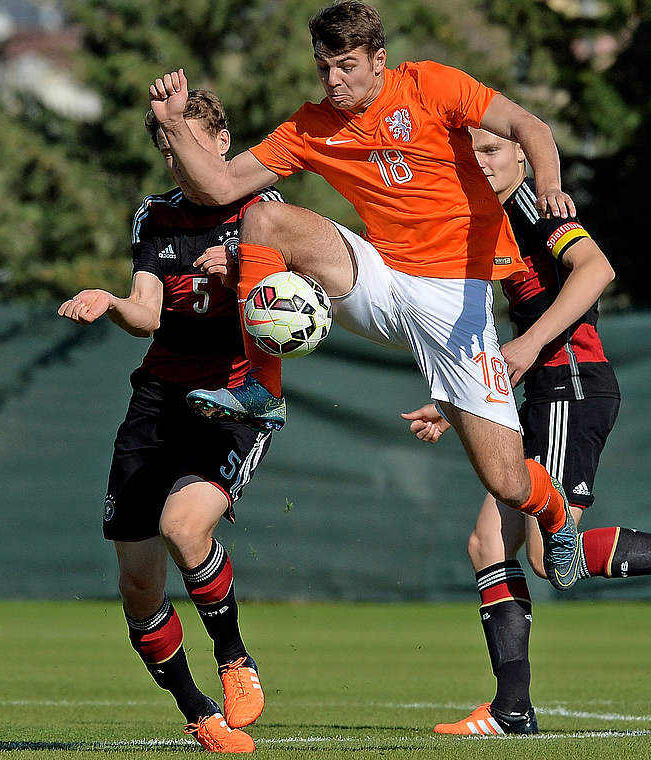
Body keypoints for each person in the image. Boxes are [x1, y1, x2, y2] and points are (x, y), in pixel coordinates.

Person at [149, 0, 587, 595]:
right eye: (324, 66)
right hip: (380, 278)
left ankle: (555, 513)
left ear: (379, 60)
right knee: (261, 223)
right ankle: (263, 389)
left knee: (508, 482)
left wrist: (552, 187)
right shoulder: (312, 125)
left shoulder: (430, 85)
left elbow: (532, 128)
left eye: (347, 65)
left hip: (456, 300)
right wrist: (175, 125)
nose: (334, 80)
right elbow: (219, 186)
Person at [400, 128, 651, 736]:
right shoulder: (492, 224)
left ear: (521, 155)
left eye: (493, 151)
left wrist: (530, 343)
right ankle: (511, 710)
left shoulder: (536, 207)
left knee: (544, 556)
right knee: (489, 544)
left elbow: (598, 269)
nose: (482, 163)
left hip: (573, 387)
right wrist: (455, 400)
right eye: (473, 154)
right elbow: (510, 336)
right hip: (547, 392)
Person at [56, 90, 280, 754]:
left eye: (182, 139)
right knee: (136, 583)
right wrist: (111, 302)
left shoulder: (264, 212)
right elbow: (148, 313)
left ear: (220, 142)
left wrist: (246, 268)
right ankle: (196, 709)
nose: (172, 156)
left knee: (185, 526)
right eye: (163, 145)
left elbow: (303, 303)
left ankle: (235, 657)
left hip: (238, 397)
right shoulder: (154, 217)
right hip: (157, 400)